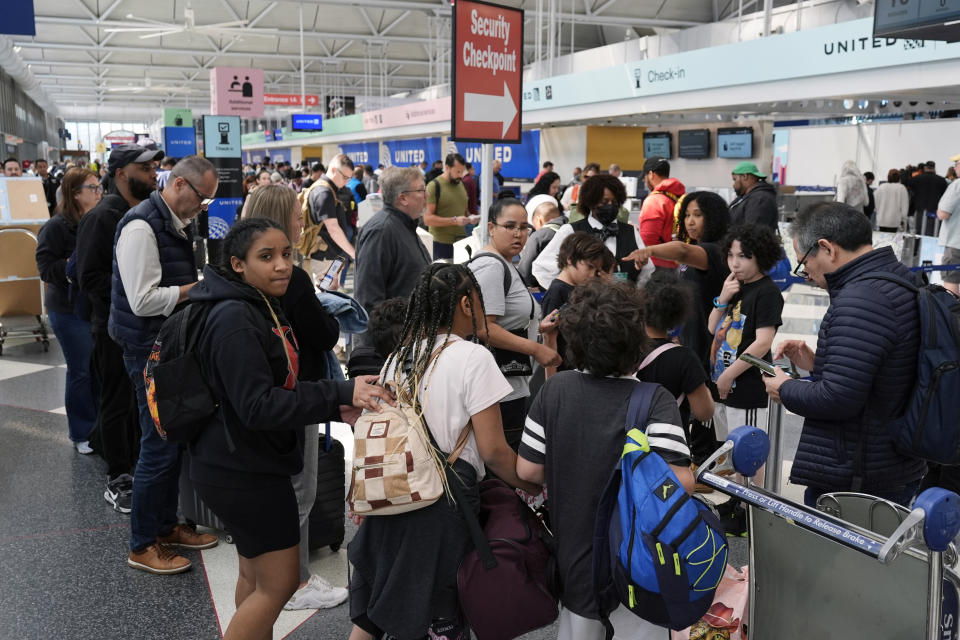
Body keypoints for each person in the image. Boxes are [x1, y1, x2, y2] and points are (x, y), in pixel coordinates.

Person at [186, 218, 391, 638]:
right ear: (237, 265)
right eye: (266, 257)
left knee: (256, 577)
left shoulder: (253, 304)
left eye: (286, 255)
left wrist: (337, 406)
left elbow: (275, 391)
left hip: (235, 460)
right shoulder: (235, 318)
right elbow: (258, 406)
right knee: (278, 586)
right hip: (244, 471)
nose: (282, 266)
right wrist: (341, 392)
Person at [348, 263, 542, 640]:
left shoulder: (399, 356)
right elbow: (494, 452)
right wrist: (533, 485)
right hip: (444, 503)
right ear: (467, 304)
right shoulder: (474, 358)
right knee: (440, 611)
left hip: (395, 497)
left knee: (378, 607)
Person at [517, 279, 692, 639]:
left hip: (576, 568)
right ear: (636, 339)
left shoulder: (556, 390)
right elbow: (681, 482)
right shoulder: (654, 399)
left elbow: (528, 470)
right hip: (640, 570)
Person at [763, 202, 926, 507]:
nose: (807, 275)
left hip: (858, 478)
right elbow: (882, 373)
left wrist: (784, 387)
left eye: (803, 263)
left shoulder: (861, 300)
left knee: (837, 555)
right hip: (890, 460)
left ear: (826, 248)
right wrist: (819, 363)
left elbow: (837, 399)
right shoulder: (896, 277)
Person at [111, 155, 220, 575]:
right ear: (177, 185)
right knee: (157, 446)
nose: (202, 207)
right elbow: (142, 300)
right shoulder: (141, 227)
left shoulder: (172, 223)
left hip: (165, 347)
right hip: (145, 350)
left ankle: (165, 525)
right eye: (201, 198)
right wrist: (196, 290)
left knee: (171, 439)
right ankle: (142, 544)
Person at [240, 185, 346, 609]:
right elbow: (322, 333)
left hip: (256, 400)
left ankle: (269, 579)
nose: (303, 224)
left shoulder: (237, 273)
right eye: (296, 218)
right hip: (295, 394)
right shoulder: (293, 278)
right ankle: (294, 583)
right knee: (299, 492)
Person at [76, 144, 163, 513]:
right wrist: (123, 305)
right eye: (145, 169)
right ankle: (118, 476)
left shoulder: (137, 212)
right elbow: (89, 276)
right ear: (123, 173)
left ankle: (133, 461)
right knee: (117, 399)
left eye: (154, 167)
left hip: (138, 327)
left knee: (136, 401)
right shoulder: (103, 216)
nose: (154, 173)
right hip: (113, 327)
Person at [469, 198, 561, 450]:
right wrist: (536, 349)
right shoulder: (491, 266)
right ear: (490, 227)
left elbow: (507, 322)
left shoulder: (505, 264)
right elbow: (484, 328)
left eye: (523, 227)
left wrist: (537, 331)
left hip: (509, 383)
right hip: (498, 388)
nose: (518, 234)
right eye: (510, 226)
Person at [35, 168, 102, 454]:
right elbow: (46, 269)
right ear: (76, 193)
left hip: (93, 306)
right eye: (93, 188)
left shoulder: (98, 220)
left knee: (98, 369)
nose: (99, 193)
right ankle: (81, 432)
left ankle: (100, 428)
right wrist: (75, 264)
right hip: (67, 308)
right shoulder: (56, 226)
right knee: (81, 370)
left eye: (100, 188)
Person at [708, 224, 783, 434]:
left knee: (747, 455)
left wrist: (729, 375)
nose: (735, 263)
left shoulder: (767, 292)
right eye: (730, 256)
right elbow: (712, 327)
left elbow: (763, 343)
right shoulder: (735, 286)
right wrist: (722, 298)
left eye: (743, 256)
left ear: (760, 256)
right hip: (723, 384)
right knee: (726, 455)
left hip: (746, 387)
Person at [533, 174, 650, 289]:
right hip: (581, 306)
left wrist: (631, 296)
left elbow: (647, 273)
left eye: (614, 203)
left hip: (622, 305)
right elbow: (542, 268)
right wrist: (568, 295)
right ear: (590, 202)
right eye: (604, 202)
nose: (610, 206)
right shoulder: (570, 231)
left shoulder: (630, 232)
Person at [636, 270, 716, 439]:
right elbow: (704, 412)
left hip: (629, 446)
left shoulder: (623, 349)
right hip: (670, 450)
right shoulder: (684, 358)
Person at [354, 166, 431, 322]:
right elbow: (369, 299)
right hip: (392, 340)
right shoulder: (381, 232)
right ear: (403, 198)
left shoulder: (404, 225)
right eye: (421, 190)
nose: (426, 195)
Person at [540, 232, 614, 377]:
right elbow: (550, 339)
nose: (592, 274)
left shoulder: (580, 289)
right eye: (590, 267)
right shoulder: (557, 292)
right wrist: (551, 382)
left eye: (596, 271)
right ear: (569, 259)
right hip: (564, 373)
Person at [302, 154, 356, 287]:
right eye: (345, 177)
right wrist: (353, 253)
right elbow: (333, 228)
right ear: (333, 170)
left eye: (349, 178)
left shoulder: (327, 189)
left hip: (329, 257)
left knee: (329, 295)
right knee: (326, 298)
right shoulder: (324, 192)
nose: (347, 181)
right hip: (324, 258)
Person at [424, 153, 476, 261]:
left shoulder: (461, 184)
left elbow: (464, 210)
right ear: (447, 168)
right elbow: (427, 219)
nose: (461, 175)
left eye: (462, 172)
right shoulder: (434, 186)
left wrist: (471, 217)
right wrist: (454, 220)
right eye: (457, 172)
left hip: (461, 242)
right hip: (441, 244)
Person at [638, 156, 685, 270]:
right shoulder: (679, 196)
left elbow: (647, 241)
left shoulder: (654, 201)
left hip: (659, 265)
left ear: (651, 174)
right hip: (680, 261)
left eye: (645, 177)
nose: (645, 181)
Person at [517, 196, 565, 288]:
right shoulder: (570, 228)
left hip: (545, 289)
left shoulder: (538, 236)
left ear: (539, 220)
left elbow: (525, 273)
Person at [728, 161, 778, 232]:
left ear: (745, 176)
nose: (733, 184)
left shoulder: (760, 199)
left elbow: (752, 233)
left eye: (735, 179)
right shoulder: (748, 197)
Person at [936, 153, 960, 296]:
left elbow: (943, 213)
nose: (955, 167)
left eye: (956, 164)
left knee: (951, 278)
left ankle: (953, 315)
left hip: (955, 242)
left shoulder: (957, 185)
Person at [906, 160, 948, 236]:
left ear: (925, 168)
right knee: (934, 234)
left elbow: (910, 190)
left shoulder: (917, 179)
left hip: (920, 211)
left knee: (919, 234)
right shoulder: (941, 180)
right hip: (935, 212)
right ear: (934, 168)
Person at [875, 168, 910, 233]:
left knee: (882, 241)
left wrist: (879, 213)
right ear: (899, 177)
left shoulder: (881, 187)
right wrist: (903, 219)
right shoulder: (901, 188)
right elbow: (905, 206)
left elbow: (876, 203)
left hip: (881, 220)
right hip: (895, 221)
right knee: (892, 241)